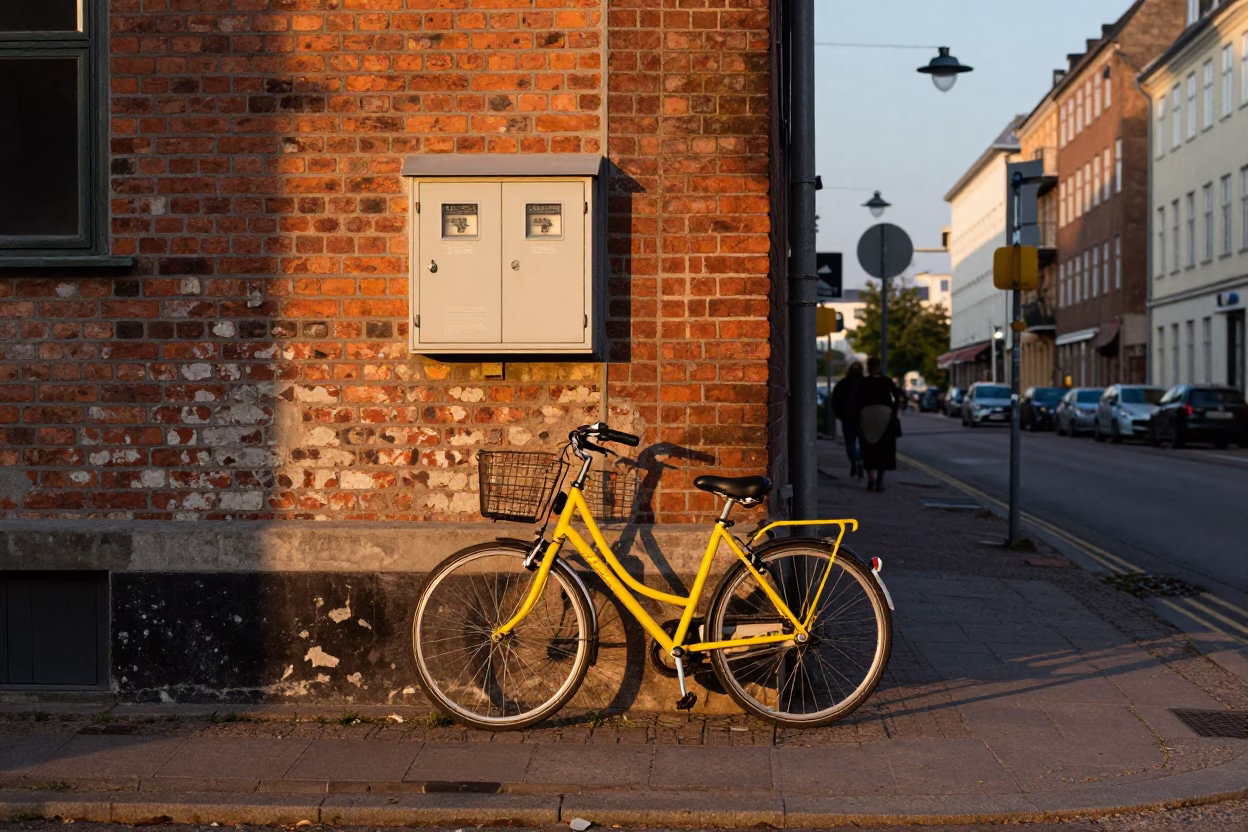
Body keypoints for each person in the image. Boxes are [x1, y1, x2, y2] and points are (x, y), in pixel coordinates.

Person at [854, 357, 903, 492]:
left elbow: (856, 400)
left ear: (868, 368)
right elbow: (897, 394)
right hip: (885, 416)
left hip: (866, 417)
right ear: (879, 367)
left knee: (868, 449)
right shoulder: (886, 381)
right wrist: (893, 408)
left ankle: (871, 480)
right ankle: (880, 481)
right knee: (883, 450)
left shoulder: (863, 382)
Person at [830, 362, 864, 478]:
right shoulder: (865, 383)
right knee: (864, 443)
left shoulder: (843, 384)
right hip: (863, 419)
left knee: (850, 443)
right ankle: (859, 459)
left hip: (847, 418)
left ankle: (854, 461)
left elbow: (835, 401)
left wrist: (840, 415)